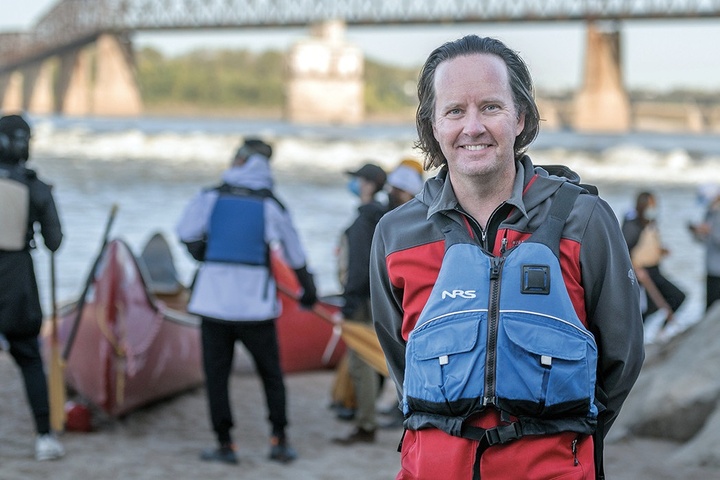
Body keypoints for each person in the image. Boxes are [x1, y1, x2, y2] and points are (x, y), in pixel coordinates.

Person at [369, 35, 645, 479]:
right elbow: (400, 360)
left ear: (520, 117)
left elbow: (622, 358)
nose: (472, 127)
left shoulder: (585, 220)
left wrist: (559, 433)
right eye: (454, 110)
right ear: (433, 124)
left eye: (491, 107)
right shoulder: (395, 233)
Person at [175, 138, 318, 465]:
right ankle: (279, 440)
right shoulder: (272, 204)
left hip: (212, 304)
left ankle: (225, 445)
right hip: (255, 307)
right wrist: (308, 291)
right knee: (271, 374)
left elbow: (185, 231)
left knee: (217, 377)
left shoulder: (210, 195)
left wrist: (202, 251)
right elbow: (295, 254)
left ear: (238, 162)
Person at [0, 114, 65, 461]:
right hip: (18, 283)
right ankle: (44, 437)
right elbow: (55, 241)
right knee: (29, 359)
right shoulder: (36, 187)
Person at [332, 162, 387, 445]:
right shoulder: (380, 215)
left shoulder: (366, 218)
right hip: (374, 297)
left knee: (361, 360)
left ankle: (366, 423)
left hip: (360, 298)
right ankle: (367, 418)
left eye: (357, 180)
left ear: (368, 184)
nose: (353, 184)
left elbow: (358, 267)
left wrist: (349, 301)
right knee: (374, 357)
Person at [622, 191, 686, 325]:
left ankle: (662, 332)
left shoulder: (651, 223)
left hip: (655, 271)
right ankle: (640, 339)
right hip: (642, 274)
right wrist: (635, 268)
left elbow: (646, 246)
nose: (653, 208)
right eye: (651, 204)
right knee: (643, 309)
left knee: (677, 297)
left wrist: (660, 251)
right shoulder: (632, 225)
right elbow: (624, 250)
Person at [689, 185, 720, 311]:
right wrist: (696, 232)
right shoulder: (710, 212)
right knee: (710, 309)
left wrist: (710, 232)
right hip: (712, 269)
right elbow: (704, 240)